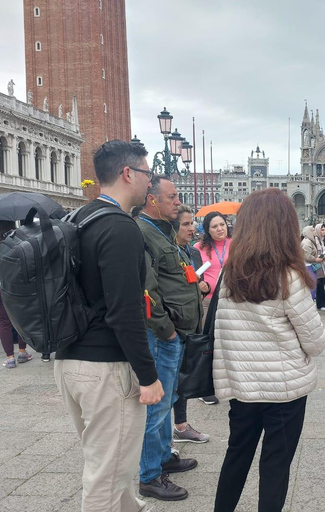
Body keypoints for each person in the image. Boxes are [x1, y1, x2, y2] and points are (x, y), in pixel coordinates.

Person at [54, 140, 163, 512]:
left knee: (112, 464)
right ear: (128, 173)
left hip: (70, 358)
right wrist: (148, 376)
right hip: (105, 367)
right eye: (148, 174)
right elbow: (125, 310)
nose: (151, 183)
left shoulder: (79, 218)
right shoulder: (119, 228)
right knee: (107, 473)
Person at [212, 188, 325, 512]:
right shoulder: (288, 276)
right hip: (284, 393)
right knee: (275, 467)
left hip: (242, 389)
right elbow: (316, 342)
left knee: (236, 458)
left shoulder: (230, 275)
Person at [136, 178, 200, 501]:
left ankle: (162, 457)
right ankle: (149, 475)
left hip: (173, 334)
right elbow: (147, 289)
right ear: (152, 200)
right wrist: (167, 329)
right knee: (157, 406)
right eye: (171, 197)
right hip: (162, 334)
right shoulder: (144, 232)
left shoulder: (163, 231)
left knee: (166, 398)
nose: (178, 202)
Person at [172, 205, 211, 445]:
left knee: (182, 378)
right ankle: (171, 432)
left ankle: (182, 425)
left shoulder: (192, 251)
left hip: (191, 323)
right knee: (172, 381)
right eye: (186, 224)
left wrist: (203, 287)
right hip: (174, 325)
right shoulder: (170, 251)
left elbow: (199, 281)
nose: (192, 227)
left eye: (192, 223)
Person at [0, 221, 32, 368]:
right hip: (14, 281)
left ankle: (9, 357)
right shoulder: (17, 240)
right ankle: (22, 351)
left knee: (3, 321)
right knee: (20, 319)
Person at [193, 211, 229, 407]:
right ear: (207, 230)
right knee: (207, 342)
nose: (219, 229)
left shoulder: (235, 245)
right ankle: (205, 386)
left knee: (227, 342)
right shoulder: (199, 248)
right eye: (214, 226)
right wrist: (199, 284)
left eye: (222, 224)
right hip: (208, 301)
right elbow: (191, 273)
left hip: (231, 300)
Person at [301, 225, 325, 301]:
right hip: (308, 266)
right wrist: (316, 259)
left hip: (311, 265)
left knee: (313, 286)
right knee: (311, 286)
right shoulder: (307, 242)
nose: (315, 232)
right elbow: (307, 256)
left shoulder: (310, 240)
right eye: (313, 230)